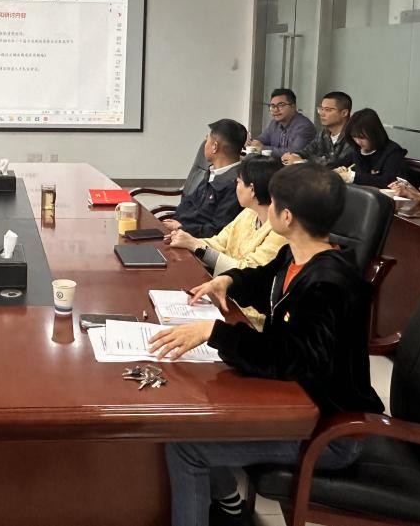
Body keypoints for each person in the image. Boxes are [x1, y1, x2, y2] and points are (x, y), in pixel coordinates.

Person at [149, 164, 383, 526]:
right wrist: (228, 282)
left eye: (272, 203)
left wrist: (216, 333)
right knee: (193, 422)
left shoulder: (330, 284)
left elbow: (292, 358)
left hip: (329, 430)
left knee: (186, 448)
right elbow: (263, 281)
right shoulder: (298, 255)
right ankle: (228, 504)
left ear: (286, 216)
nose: (267, 208)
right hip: (298, 404)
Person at [166, 155, 287, 277]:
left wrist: (195, 245)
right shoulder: (249, 212)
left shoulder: (280, 231)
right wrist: (185, 241)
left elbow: (248, 271)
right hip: (222, 279)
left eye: (238, 182)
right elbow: (219, 242)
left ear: (252, 189)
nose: (236, 187)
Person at [162, 119, 247, 239]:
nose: (205, 144)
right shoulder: (213, 172)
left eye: (207, 139)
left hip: (197, 242)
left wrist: (182, 228)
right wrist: (176, 223)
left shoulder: (236, 184)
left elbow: (218, 230)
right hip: (180, 234)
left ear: (214, 147)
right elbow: (189, 202)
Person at [282, 91, 355, 168]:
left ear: (344, 113)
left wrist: (302, 161)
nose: (322, 114)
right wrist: (293, 156)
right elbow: (307, 151)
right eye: (321, 109)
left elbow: (337, 164)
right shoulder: (324, 132)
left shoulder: (353, 135)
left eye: (328, 110)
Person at [339, 108, 406, 189]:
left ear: (374, 133)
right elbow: (337, 164)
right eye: (354, 137)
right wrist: (337, 171)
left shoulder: (393, 151)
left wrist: (352, 177)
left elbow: (388, 181)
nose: (358, 142)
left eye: (362, 137)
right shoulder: (357, 150)